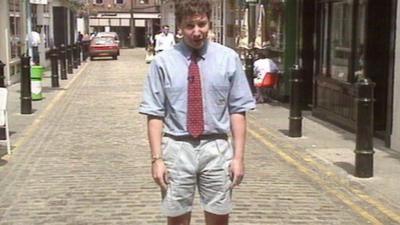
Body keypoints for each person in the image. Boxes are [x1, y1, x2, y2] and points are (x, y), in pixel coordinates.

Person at [139, 0, 255, 224]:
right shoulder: (162, 63)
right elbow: (154, 114)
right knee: (177, 219)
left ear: (209, 23)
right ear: (179, 27)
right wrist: (157, 160)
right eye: (189, 26)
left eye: (202, 24)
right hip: (176, 147)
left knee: (219, 217)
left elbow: (238, 111)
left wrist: (238, 158)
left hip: (217, 148)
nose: (197, 32)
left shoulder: (228, 59)